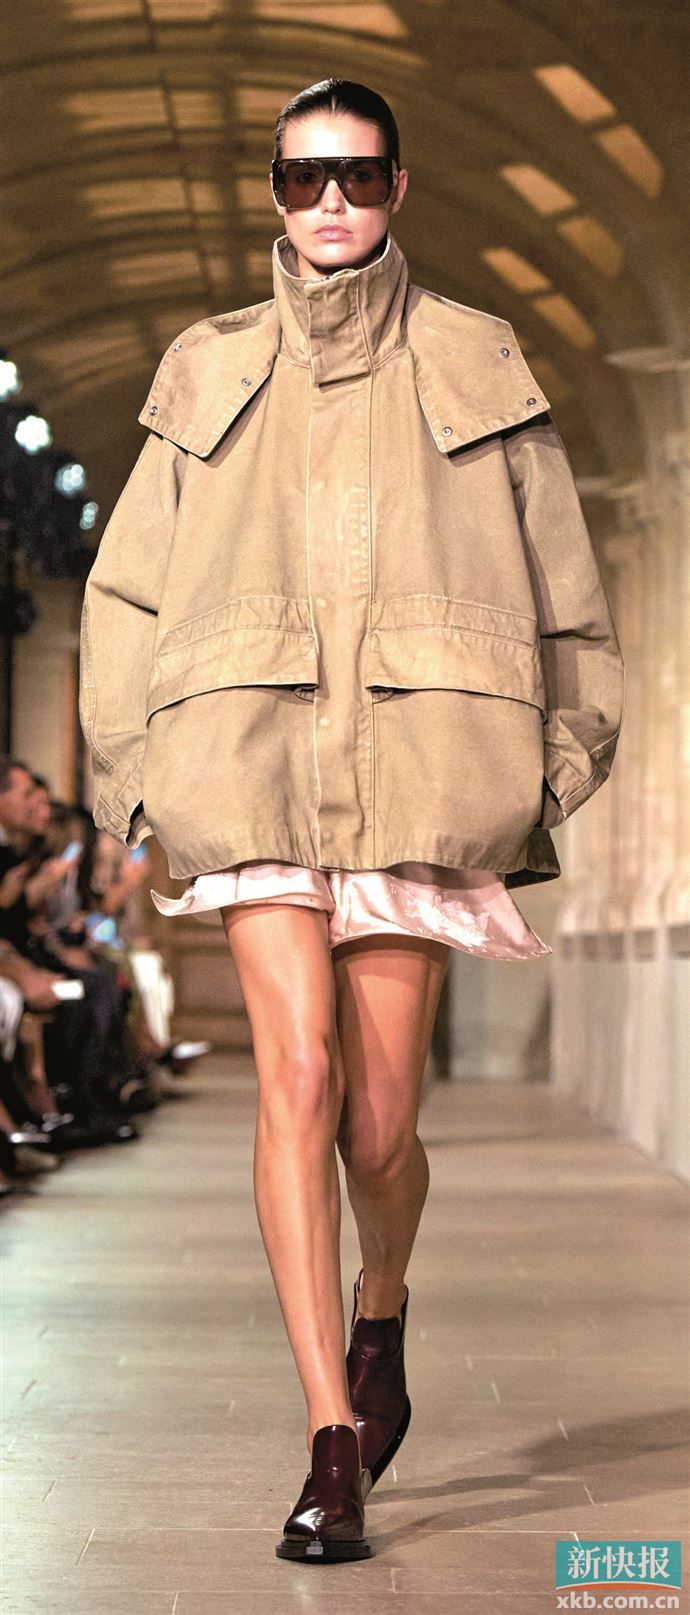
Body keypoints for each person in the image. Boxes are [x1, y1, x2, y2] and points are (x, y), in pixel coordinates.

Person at [78, 79, 625, 1561]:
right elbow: (125, 593)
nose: (331, 202)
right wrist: (143, 773)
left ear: (398, 188)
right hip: (249, 763)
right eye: (305, 176)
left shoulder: (475, 356)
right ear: (272, 190)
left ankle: (382, 1309)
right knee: (300, 1080)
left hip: (420, 770)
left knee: (382, 1123)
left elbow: (568, 595)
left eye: (360, 176)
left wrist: (545, 770)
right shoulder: (206, 366)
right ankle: (331, 1437)